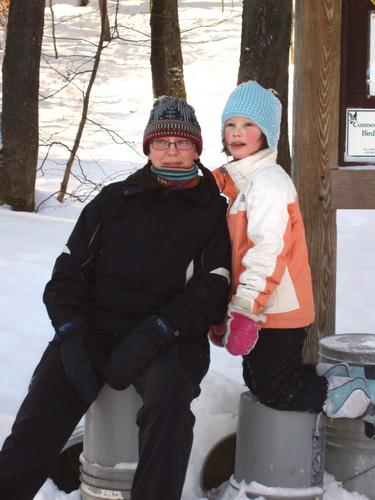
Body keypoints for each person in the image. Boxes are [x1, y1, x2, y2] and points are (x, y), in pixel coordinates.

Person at [0, 96, 231, 500]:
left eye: (182, 142)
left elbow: (211, 290)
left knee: (170, 407)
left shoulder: (214, 211)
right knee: (41, 410)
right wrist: (71, 332)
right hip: (93, 330)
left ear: (197, 148)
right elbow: (67, 273)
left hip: (168, 337)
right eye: (162, 142)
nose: (172, 151)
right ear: (147, 147)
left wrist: (157, 331)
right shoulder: (113, 199)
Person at [210, 80, 375, 422]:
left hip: (278, 309)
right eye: (231, 124)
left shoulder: (269, 183)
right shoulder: (246, 185)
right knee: (258, 381)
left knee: (278, 388)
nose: (237, 133)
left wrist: (244, 310)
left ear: (266, 133)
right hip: (263, 307)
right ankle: (337, 380)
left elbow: (266, 252)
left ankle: (354, 394)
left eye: (249, 125)